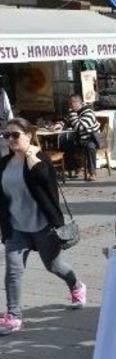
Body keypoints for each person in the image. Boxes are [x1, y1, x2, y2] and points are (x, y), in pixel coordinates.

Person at [0, 118, 85, 335]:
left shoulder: (41, 159)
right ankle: (14, 316)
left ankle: (76, 285)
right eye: (7, 135)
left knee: (53, 266)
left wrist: (31, 156)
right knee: (13, 271)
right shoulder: (4, 163)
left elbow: (45, 181)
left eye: (15, 135)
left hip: (44, 227)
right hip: (16, 228)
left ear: (29, 135)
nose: (11, 139)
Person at [57, 95, 100, 181]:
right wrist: (58, 125)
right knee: (65, 144)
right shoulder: (75, 112)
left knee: (90, 147)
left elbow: (79, 127)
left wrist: (72, 114)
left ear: (76, 103)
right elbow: (66, 120)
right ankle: (76, 167)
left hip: (90, 137)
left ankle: (92, 172)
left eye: (70, 104)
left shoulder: (88, 112)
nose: (69, 106)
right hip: (78, 138)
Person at [0, 83, 13, 158]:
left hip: (2, 128)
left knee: (5, 154)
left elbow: (8, 110)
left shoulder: (2, 92)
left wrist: (11, 126)